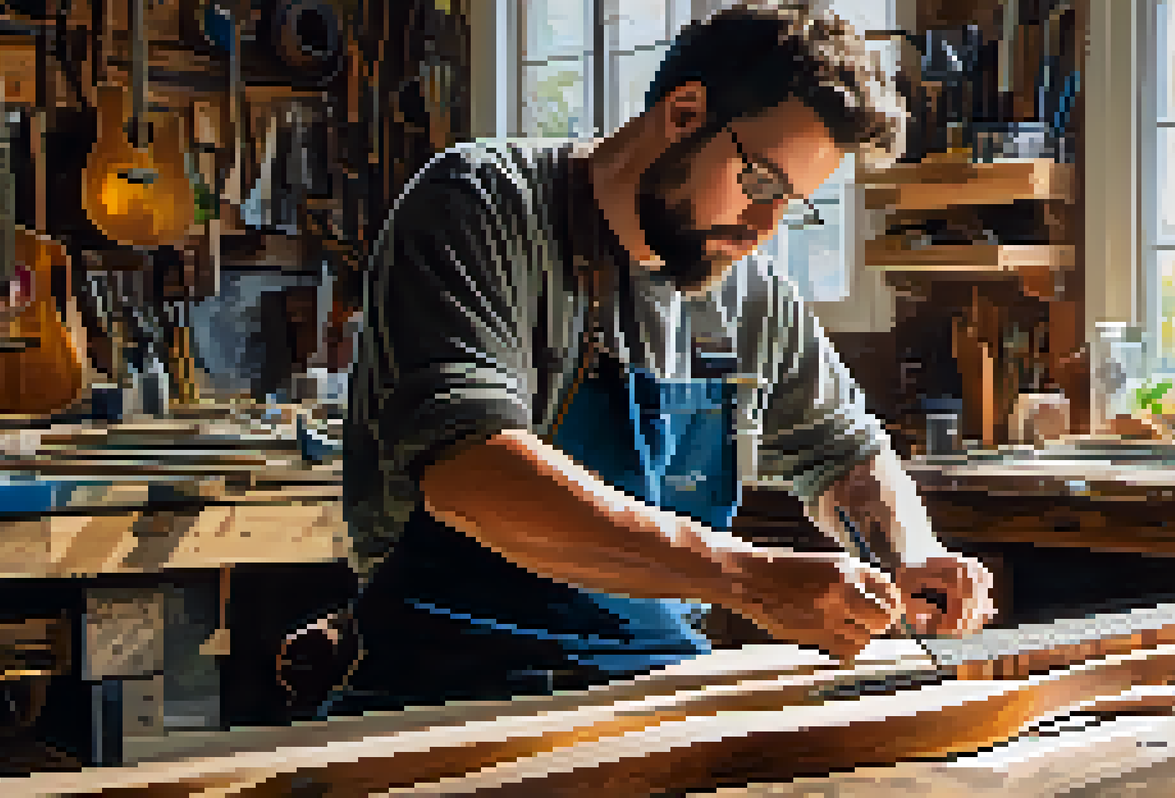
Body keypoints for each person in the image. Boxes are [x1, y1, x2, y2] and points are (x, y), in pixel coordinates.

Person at [327, 0, 996, 714]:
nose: (765, 228)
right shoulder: (482, 204)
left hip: (660, 690)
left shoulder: (749, 293)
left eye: (792, 204)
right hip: (446, 690)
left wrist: (909, 552)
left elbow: (844, 452)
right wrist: (746, 577)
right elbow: (472, 472)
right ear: (684, 112)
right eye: (761, 184)